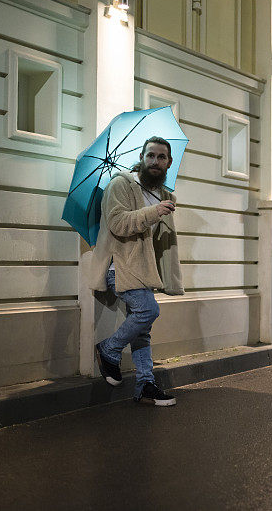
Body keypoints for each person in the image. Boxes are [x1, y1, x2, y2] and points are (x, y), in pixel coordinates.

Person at [88, 136, 184, 406]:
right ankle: (109, 348)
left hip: (142, 269)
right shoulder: (121, 184)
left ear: (169, 162)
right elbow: (118, 223)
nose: (155, 161)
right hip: (119, 266)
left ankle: (145, 385)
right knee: (148, 311)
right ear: (142, 158)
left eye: (161, 157)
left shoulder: (162, 194)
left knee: (142, 330)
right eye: (150, 155)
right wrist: (153, 212)